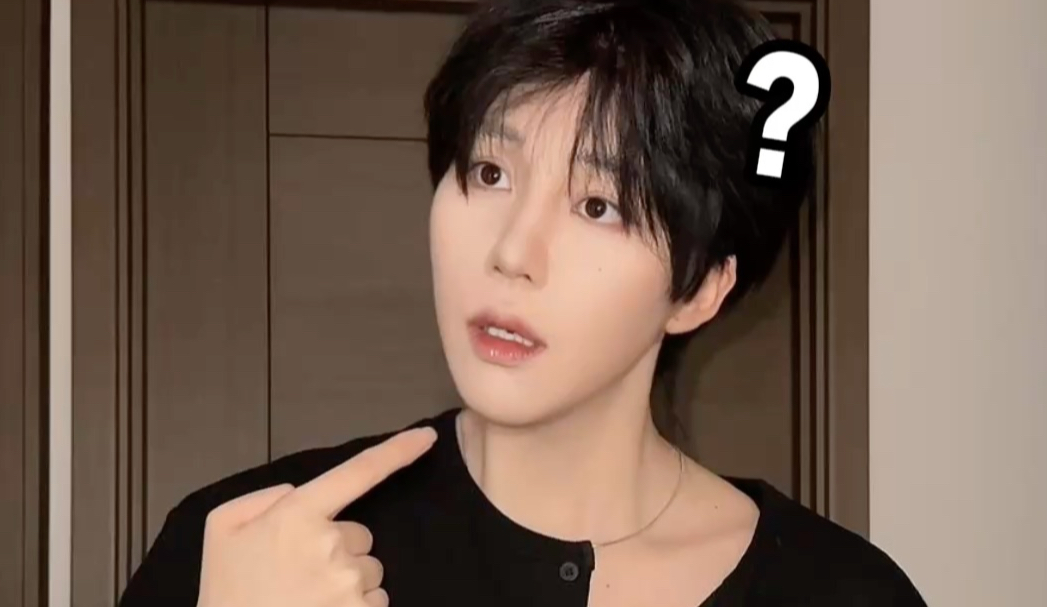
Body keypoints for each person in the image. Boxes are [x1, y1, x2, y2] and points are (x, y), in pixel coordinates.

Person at [118, 1, 927, 606]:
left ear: (699, 288)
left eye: (598, 205)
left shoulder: (842, 590)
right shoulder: (242, 544)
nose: (511, 251)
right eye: (490, 173)